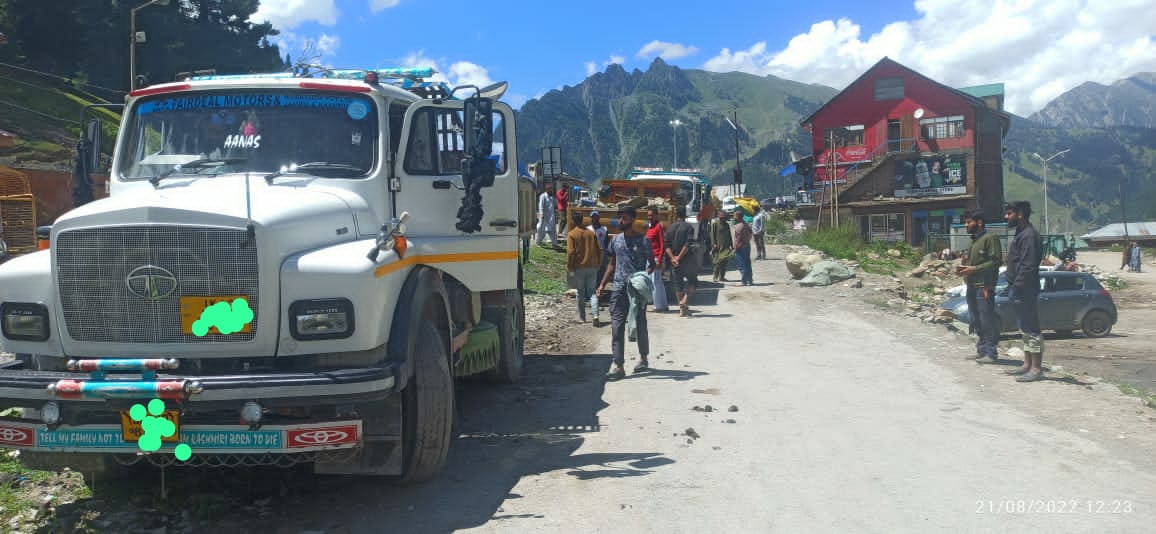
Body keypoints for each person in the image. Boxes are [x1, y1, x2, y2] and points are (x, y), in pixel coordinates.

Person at [597, 206, 656, 380]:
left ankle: (644, 357)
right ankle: (619, 365)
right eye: (620, 218)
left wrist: (644, 277)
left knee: (640, 323)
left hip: (636, 292)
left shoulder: (643, 241)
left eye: (625, 218)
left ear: (633, 220)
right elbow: (612, 264)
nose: (621, 221)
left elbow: (652, 263)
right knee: (617, 326)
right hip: (618, 289)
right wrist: (602, 284)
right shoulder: (615, 240)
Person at [1004, 201, 1046, 382]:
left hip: (1025, 288)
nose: (1006, 217)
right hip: (1018, 287)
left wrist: (1017, 286)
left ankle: (1036, 369)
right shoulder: (1021, 233)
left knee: (1032, 328)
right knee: (1024, 328)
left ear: (1020, 214)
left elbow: (1028, 266)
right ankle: (1027, 364)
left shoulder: (1029, 235)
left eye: (1009, 213)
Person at [956, 210, 1003, 364]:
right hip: (971, 286)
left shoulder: (990, 239)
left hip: (984, 286)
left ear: (979, 222)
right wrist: (963, 269)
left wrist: (974, 269)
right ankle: (981, 350)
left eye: (968, 222)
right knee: (976, 319)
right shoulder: (973, 242)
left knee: (986, 319)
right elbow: (972, 263)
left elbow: (996, 261)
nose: (966, 225)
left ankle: (991, 352)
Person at [566, 211, 602, 323]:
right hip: (592, 266)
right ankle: (595, 315)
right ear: (582, 219)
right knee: (592, 292)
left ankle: (582, 317)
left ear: (573, 220)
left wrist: (570, 266)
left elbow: (571, 252)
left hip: (579, 267)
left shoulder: (572, 234)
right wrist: (599, 264)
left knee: (580, 292)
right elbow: (599, 249)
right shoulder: (590, 233)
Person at [665, 205, 698, 317]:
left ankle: (682, 310)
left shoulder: (670, 228)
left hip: (674, 261)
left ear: (676, 215)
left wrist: (673, 258)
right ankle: (684, 301)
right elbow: (687, 244)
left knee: (678, 284)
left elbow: (667, 246)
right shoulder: (689, 227)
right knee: (693, 282)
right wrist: (679, 257)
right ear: (685, 215)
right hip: (687, 260)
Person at [588, 210, 610, 325]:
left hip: (602, 256)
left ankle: (598, 298)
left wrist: (605, 254)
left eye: (596, 217)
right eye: (592, 217)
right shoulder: (588, 229)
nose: (594, 219)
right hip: (591, 256)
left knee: (601, 277)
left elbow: (606, 243)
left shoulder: (604, 229)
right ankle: (593, 299)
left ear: (598, 218)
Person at [646, 206, 669, 313]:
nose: (649, 217)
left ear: (656, 215)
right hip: (650, 257)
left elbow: (662, 244)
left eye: (651, 215)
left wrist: (659, 259)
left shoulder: (658, 227)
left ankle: (657, 306)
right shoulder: (650, 227)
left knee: (655, 282)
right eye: (648, 215)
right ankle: (663, 304)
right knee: (658, 282)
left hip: (655, 258)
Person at [732, 209, 754, 286]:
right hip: (747, 246)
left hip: (740, 247)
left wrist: (735, 249)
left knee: (741, 264)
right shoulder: (746, 224)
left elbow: (738, 239)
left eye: (734, 215)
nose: (733, 217)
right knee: (747, 263)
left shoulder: (738, 227)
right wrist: (747, 241)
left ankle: (744, 281)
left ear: (738, 217)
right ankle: (750, 280)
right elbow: (751, 233)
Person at [710, 210, 732, 282]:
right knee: (717, 262)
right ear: (719, 217)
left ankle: (722, 277)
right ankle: (715, 277)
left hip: (726, 247)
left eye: (724, 217)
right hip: (718, 247)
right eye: (721, 217)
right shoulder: (715, 224)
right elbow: (712, 235)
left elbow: (729, 235)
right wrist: (714, 244)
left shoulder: (727, 225)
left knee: (724, 262)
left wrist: (731, 244)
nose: (723, 219)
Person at [536, 183, 557, 247]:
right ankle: (538, 242)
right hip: (544, 217)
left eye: (552, 189)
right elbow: (540, 206)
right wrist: (541, 213)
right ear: (547, 190)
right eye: (550, 190)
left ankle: (554, 244)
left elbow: (555, 204)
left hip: (551, 217)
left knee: (553, 231)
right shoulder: (543, 196)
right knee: (542, 232)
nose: (551, 191)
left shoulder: (552, 197)